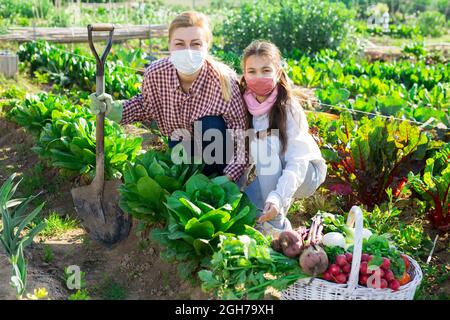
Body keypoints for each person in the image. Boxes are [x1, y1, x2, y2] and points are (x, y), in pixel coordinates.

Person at [89, 11, 247, 182]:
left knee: (210, 123)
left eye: (195, 44)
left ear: (207, 46)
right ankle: (190, 179)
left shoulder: (224, 80)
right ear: (169, 46)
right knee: (184, 179)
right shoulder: (156, 73)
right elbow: (146, 105)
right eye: (179, 44)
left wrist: (229, 176)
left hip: (218, 150)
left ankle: (214, 176)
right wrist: (115, 109)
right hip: (181, 143)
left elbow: (240, 135)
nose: (187, 51)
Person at [240, 40, 327, 234]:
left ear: (278, 72)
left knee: (264, 143)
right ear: (244, 74)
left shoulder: (288, 107)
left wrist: (277, 198)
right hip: (270, 169)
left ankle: (278, 226)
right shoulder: (243, 103)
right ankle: (268, 218)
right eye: (252, 71)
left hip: (305, 173)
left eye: (266, 70)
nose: (258, 76)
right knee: (245, 212)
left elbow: (298, 161)